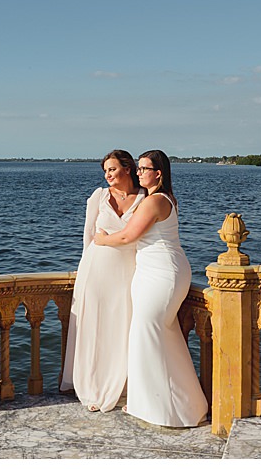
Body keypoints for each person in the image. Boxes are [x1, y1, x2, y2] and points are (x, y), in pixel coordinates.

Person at [94, 149, 208, 427]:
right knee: (162, 335)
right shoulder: (162, 197)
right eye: (138, 168)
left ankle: (163, 408)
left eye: (144, 169)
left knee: (147, 334)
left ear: (158, 173)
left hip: (161, 274)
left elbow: (127, 236)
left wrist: (101, 240)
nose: (138, 172)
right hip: (157, 271)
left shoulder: (154, 201)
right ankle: (180, 404)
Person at [60, 149, 145, 412]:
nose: (108, 175)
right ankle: (92, 385)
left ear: (127, 169)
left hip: (128, 271)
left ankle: (124, 383)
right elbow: (88, 236)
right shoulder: (98, 197)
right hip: (96, 270)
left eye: (112, 169)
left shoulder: (145, 198)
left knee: (122, 325)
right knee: (94, 326)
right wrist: (85, 271)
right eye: (105, 171)